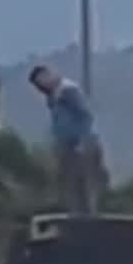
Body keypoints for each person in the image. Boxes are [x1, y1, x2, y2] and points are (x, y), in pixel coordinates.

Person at [28, 63, 108, 215]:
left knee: (85, 186)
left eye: (42, 79)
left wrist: (83, 141)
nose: (41, 85)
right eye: (38, 83)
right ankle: (76, 217)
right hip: (67, 148)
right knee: (71, 188)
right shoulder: (53, 96)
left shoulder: (68, 90)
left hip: (81, 146)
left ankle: (89, 220)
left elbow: (85, 116)